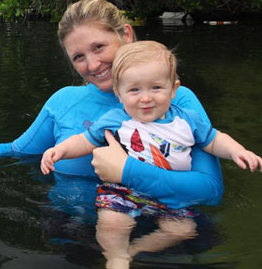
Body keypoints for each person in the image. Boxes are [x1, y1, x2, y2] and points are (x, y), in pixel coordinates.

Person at [0, 0, 224, 215]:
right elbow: (16, 152)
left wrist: (127, 171)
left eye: (99, 47)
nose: (93, 64)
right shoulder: (63, 101)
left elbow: (210, 191)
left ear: (126, 35)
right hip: (73, 233)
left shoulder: (174, 102)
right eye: (78, 57)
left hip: (163, 232)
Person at [40, 40, 262, 268]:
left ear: (173, 89)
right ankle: (116, 257)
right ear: (119, 93)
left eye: (156, 88)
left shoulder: (186, 119)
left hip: (168, 196)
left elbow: (214, 140)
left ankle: (135, 250)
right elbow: (85, 140)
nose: (145, 98)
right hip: (123, 190)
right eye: (134, 90)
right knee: (112, 223)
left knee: (184, 229)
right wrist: (60, 150)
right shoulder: (117, 119)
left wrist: (238, 151)